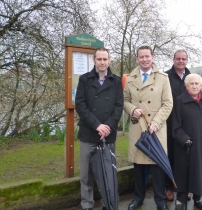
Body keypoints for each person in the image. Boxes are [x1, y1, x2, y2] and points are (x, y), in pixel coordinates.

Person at [123, 45, 173, 210]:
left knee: (157, 165)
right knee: (138, 166)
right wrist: (132, 109)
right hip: (138, 126)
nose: (144, 59)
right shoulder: (130, 78)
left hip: (156, 127)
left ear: (152, 57)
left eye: (147, 56)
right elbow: (124, 100)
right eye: (141, 57)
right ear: (137, 58)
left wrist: (156, 122)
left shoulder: (163, 77)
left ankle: (160, 201)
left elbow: (168, 103)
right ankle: (138, 198)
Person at [75, 48, 123, 210]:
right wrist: (97, 125)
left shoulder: (116, 81)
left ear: (109, 61)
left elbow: (119, 106)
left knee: (108, 172)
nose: (102, 62)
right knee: (86, 174)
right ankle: (87, 204)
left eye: (105, 59)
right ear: (93, 60)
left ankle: (107, 202)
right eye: (99, 59)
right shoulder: (84, 80)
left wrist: (107, 125)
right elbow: (80, 105)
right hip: (89, 133)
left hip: (108, 134)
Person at [172, 73, 202, 210]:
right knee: (183, 173)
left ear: (201, 86)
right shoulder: (180, 101)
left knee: (201, 172)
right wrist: (184, 139)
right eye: (191, 84)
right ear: (187, 86)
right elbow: (175, 126)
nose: (194, 86)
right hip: (186, 146)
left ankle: (198, 197)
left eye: (196, 84)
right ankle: (180, 200)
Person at [164, 49, 191, 201]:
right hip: (168, 123)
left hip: (186, 124)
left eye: (183, 59)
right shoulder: (165, 76)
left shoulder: (191, 77)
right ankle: (169, 187)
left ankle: (184, 187)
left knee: (185, 157)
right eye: (178, 58)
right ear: (173, 59)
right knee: (170, 156)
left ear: (187, 60)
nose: (181, 61)